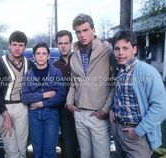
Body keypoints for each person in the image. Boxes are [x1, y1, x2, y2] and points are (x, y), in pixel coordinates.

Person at [109, 29, 166, 158]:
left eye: (125, 48)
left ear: (134, 49)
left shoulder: (148, 72)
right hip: (118, 131)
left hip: (137, 136)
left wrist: (138, 131)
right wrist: (113, 109)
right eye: (117, 49)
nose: (121, 53)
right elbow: (122, 98)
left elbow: (161, 107)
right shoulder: (119, 71)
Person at [65, 13, 116, 158]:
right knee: (85, 154)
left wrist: (104, 110)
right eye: (78, 32)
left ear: (93, 30)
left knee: (101, 155)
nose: (82, 35)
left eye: (85, 30)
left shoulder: (108, 52)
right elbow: (73, 83)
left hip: (98, 114)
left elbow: (114, 84)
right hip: (79, 113)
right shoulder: (74, 56)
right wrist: (69, 103)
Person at [0, 31, 35, 158]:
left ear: (25, 47)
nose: (17, 48)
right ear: (9, 45)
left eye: (21, 45)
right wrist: (5, 115)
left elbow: (33, 88)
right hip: (4, 108)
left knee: (22, 148)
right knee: (11, 150)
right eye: (14, 44)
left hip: (23, 107)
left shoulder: (30, 64)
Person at [21, 42, 66, 158]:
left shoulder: (56, 72)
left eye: (44, 53)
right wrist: (45, 95)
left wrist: (41, 103)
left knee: (49, 151)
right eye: (38, 53)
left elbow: (61, 95)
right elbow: (25, 97)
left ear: (48, 56)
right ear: (34, 56)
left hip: (51, 114)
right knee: (37, 151)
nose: (41, 56)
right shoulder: (29, 74)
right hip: (34, 115)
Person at [53, 30, 80, 158]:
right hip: (65, 112)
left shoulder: (81, 60)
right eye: (60, 43)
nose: (63, 46)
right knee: (69, 149)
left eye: (66, 43)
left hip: (84, 108)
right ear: (57, 44)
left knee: (87, 149)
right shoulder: (54, 67)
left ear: (71, 43)